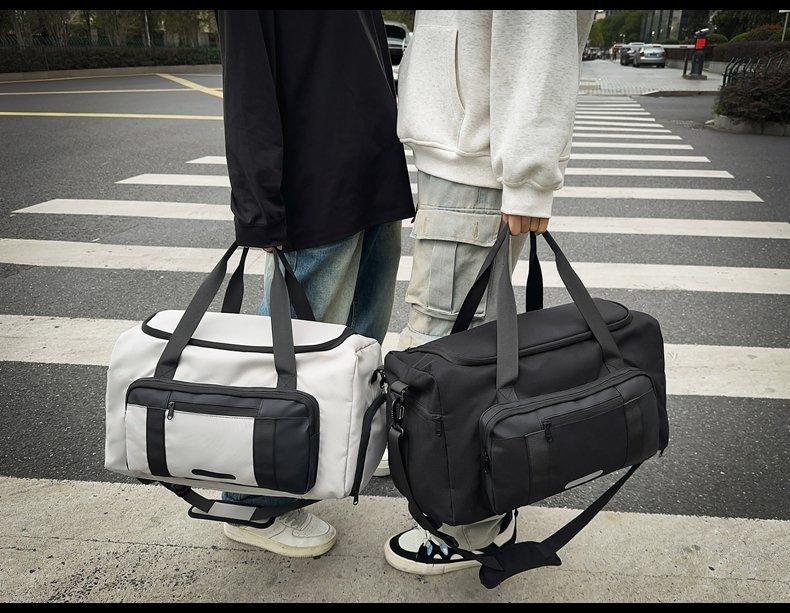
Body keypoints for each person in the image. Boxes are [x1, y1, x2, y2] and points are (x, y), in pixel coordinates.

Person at [384, 9, 595, 575]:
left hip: (475, 166)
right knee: (455, 343)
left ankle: (468, 528)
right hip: (462, 153)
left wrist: (528, 180)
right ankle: (449, 484)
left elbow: (539, 36)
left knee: (449, 354)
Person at [215, 9, 414, 558]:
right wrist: (260, 209)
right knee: (288, 357)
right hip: (311, 190)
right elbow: (247, 86)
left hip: (371, 175)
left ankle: (342, 447)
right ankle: (251, 501)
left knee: (359, 343)